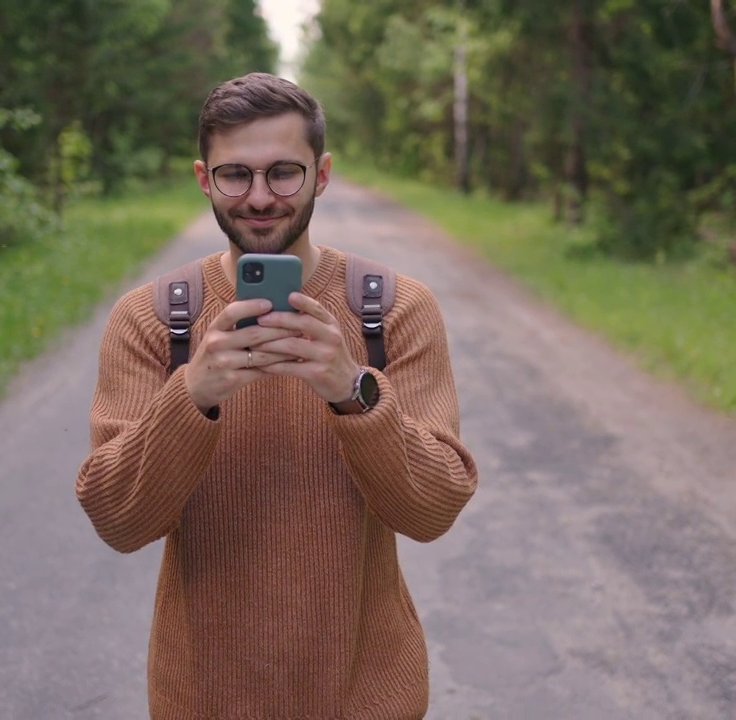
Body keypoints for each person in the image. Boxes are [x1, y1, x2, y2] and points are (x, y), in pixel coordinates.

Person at [75, 72, 478, 719]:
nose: (259, 197)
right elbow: (118, 521)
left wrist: (354, 393)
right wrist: (194, 396)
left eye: (283, 173)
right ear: (204, 179)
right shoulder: (150, 321)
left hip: (367, 699)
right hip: (203, 702)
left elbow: (432, 513)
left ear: (321, 175)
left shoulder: (395, 311)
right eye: (236, 175)